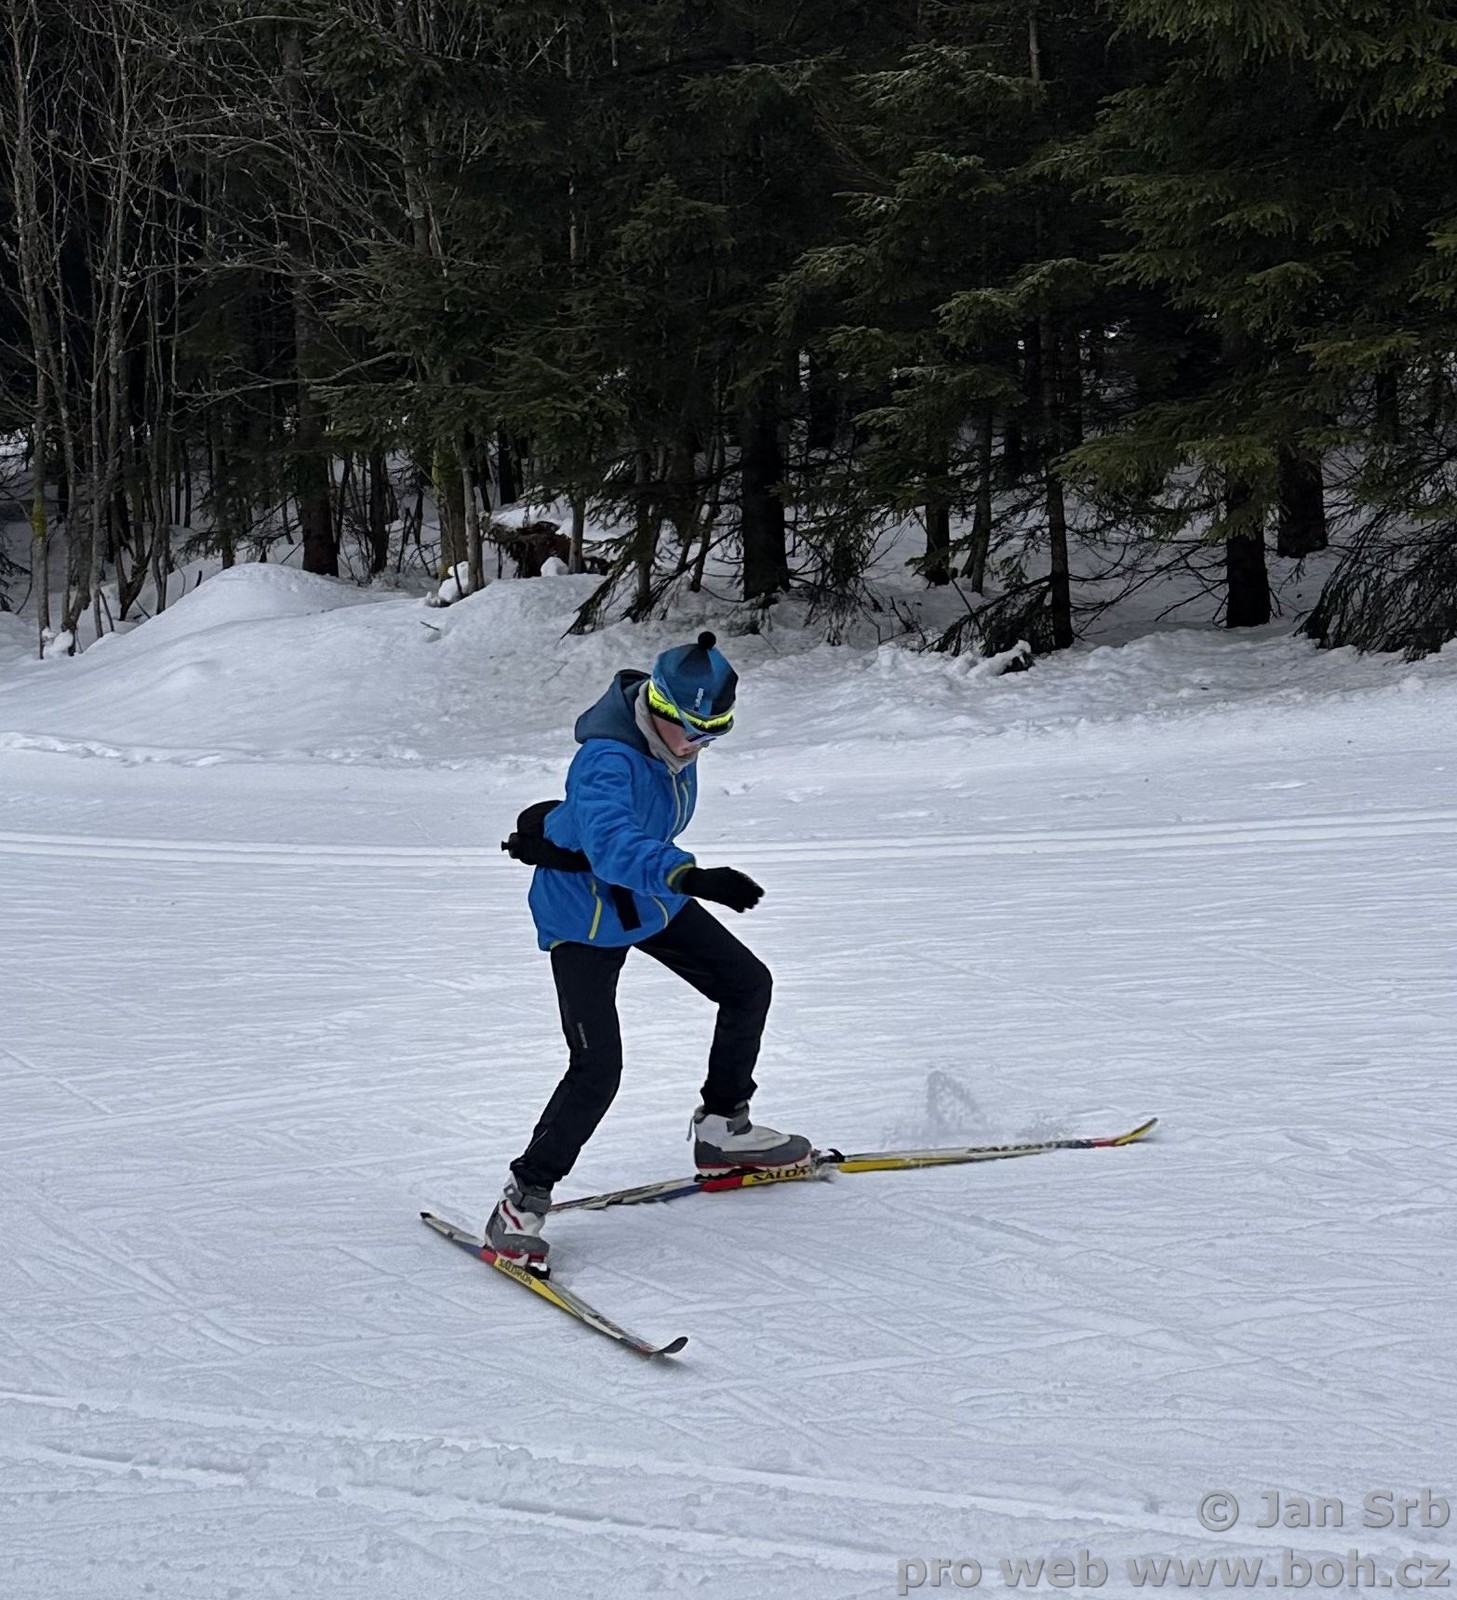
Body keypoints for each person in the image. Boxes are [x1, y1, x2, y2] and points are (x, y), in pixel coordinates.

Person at [487, 631, 810, 1274]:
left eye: (711, 734)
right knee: (597, 1067)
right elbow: (612, 843)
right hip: (584, 917)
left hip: (645, 899)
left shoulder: (673, 743)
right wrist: (690, 876)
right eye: (689, 729)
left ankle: (723, 1131)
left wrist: (671, 878)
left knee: (747, 984)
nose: (695, 745)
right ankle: (521, 1203)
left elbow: (636, 835)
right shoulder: (606, 758)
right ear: (656, 707)